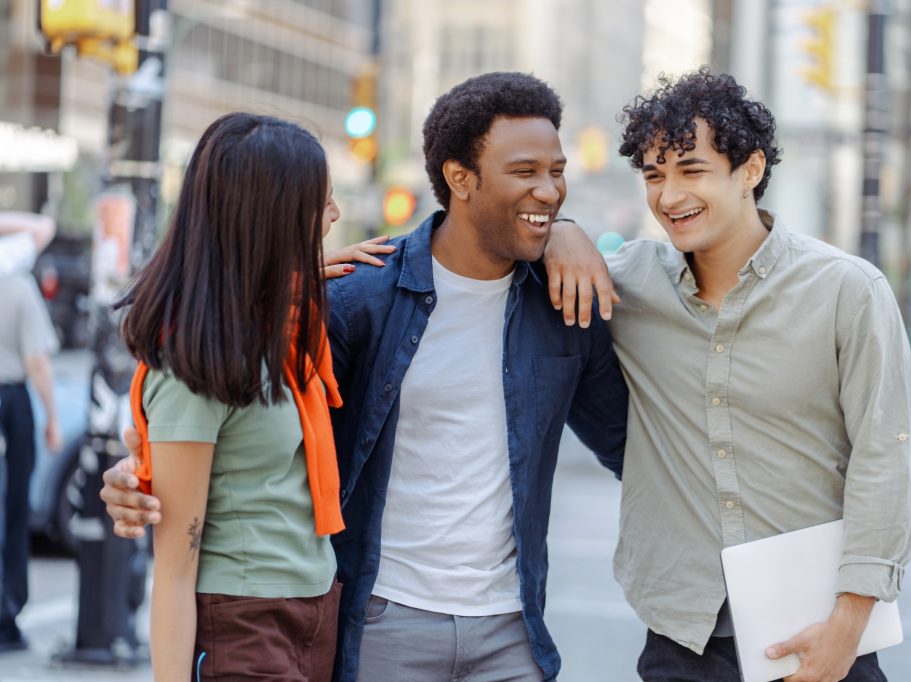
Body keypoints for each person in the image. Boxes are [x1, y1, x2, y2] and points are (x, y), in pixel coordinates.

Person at [101, 73, 628, 682]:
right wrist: (139, 474)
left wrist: (567, 231)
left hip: (489, 628)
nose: (549, 189)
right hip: (369, 621)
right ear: (460, 178)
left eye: (556, 171)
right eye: (525, 171)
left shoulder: (567, 305)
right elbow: (227, 459)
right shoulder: (356, 299)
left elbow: (632, 450)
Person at [544, 67, 911, 682]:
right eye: (654, 175)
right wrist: (561, 230)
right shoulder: (627, 286)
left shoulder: (846, 291)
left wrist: (847, 627)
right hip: (680, 638)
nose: (669, 196)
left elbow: (886, 459)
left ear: (749, 170)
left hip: (817, 634)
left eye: (692, 170)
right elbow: (515, 267)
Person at [116, 112, 391, 681]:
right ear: (273, 216)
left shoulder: (284, 327)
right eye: (323, 202)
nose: (336, 216)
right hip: (243, 620)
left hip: (315, 607)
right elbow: (173, 565)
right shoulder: (195, 363)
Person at [0, 213, 62, 653]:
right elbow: (37, 361)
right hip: (10, 403)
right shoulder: (18, 286)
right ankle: (6, 614)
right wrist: (53, 418)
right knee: (14, 510)